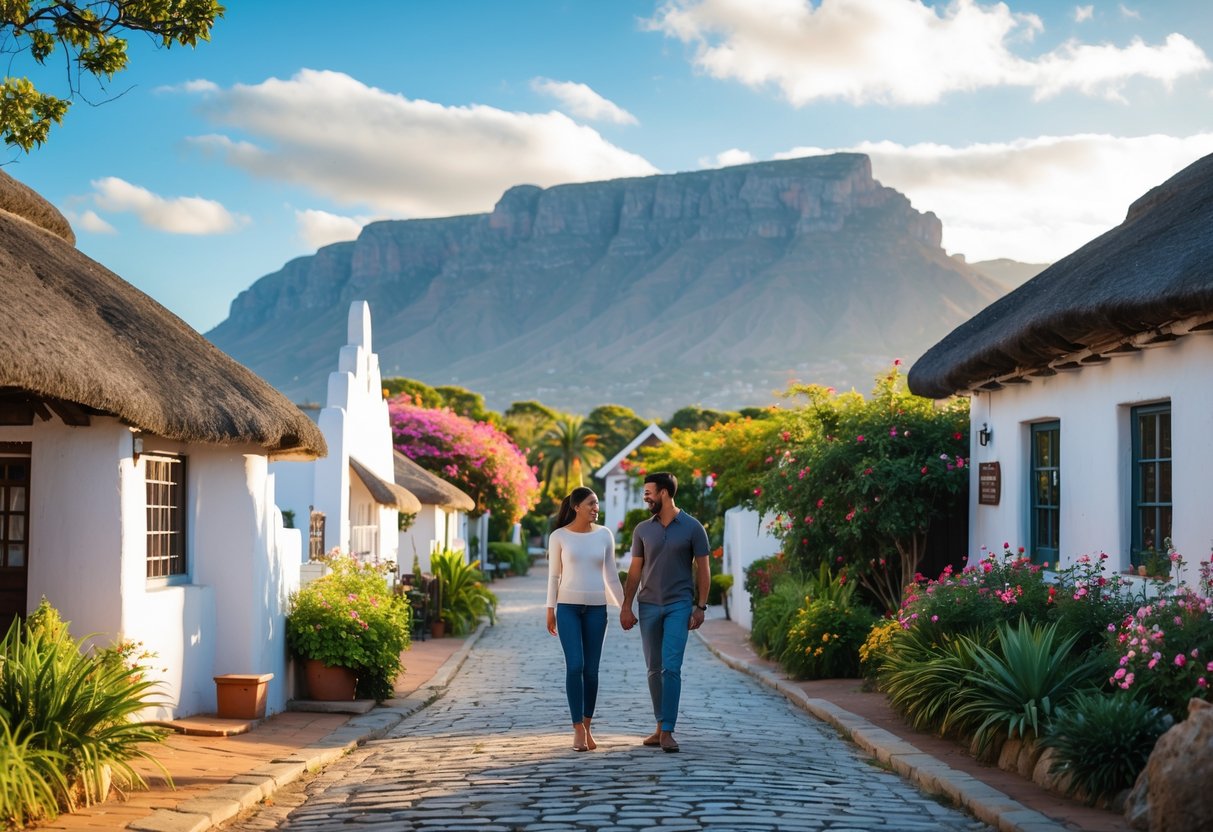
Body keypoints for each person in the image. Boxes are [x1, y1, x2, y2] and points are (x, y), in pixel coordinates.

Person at [619, 471, 710, 753]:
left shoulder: (693, 527)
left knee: (671, 667)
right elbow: (635, 570)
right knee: (653, 669)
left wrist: (701, 606)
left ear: (664, 493)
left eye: (649, 492)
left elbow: (704, 569)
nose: (645, 497)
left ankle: (668, 729)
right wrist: (626, 605)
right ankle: (659, 727)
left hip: (678, 605)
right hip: (648, 606)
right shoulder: (642, 530)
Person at [545, 486, 624, 752]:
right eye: (591, 503)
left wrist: (625, 607)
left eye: (597, 504)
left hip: (596, 610)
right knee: (575, 665)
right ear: (576, 506)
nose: (595, 508)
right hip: (567, 608)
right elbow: (554, 576)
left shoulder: (604, 535)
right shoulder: (559, 536)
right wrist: (550, 609)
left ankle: (588, 726)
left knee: (591, 671)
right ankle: (577, 728)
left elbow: (611, 575)